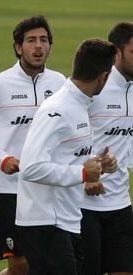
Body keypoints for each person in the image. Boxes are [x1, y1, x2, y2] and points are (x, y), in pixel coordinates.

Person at [16, 39, 117, 274]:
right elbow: (31, 167)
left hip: (67, 219)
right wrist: (83, 173)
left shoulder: (79, 104)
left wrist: (99, 163)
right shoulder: (58, 109)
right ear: (103, 76)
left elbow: (66, 155)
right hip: (45, 222)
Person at [0, 15, 66, 275]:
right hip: (6, 189)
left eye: (44, 40)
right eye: (31, 40)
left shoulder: (60, 84)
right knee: (20, 264)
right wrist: (0, 158)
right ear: (18, 47)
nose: (38, 46)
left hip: (47, 186)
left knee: (48, 262)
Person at [81, 22, 133, 275]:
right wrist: (84, 176)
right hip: (84, 205)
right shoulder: (94, 88)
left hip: (121, 206)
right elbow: (65, 139)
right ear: (117, 53)